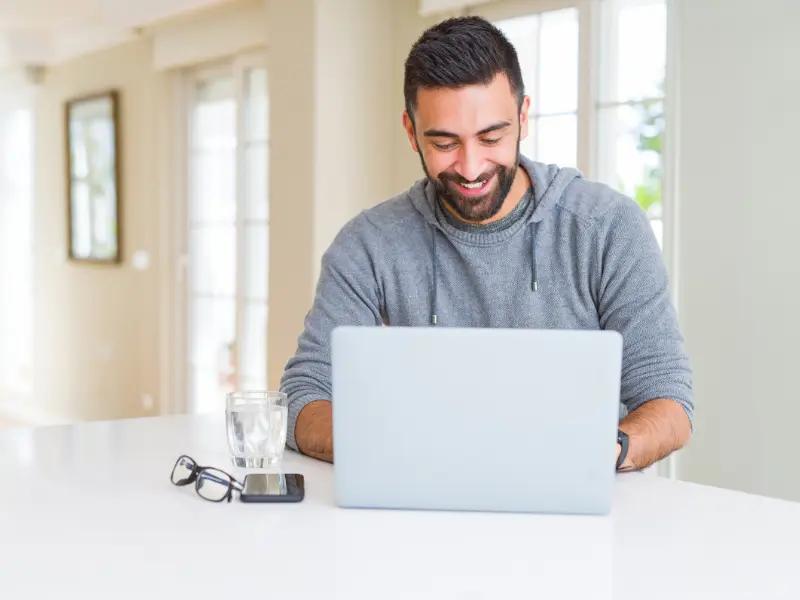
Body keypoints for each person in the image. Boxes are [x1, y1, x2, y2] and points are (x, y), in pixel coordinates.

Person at [280, 16, 693, 470]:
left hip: (578, 489)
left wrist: (598, 455)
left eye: (491, 137)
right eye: (444, 144)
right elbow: (307, 391)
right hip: (423, 485)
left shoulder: (606, 227)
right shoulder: (369, 244)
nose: (471, 167)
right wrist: (389, 446)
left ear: (523, 117)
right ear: (411, 131)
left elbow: (668, 401)